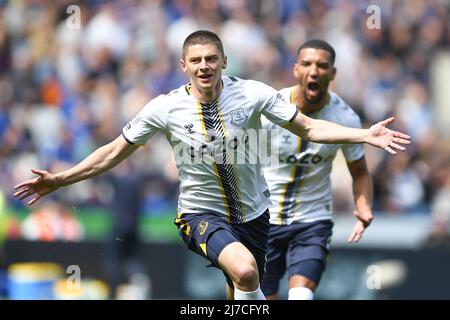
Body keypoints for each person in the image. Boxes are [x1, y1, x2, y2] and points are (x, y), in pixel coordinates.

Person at [13, 30, 410, 300]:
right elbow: (114, 151)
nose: (204, 66)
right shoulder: (165, 108)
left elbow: (307, 127)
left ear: (224, 61)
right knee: (246, 271)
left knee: (239, 285)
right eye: (196, 60)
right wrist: (61, 180)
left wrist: (363, 136)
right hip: (199, 213)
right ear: (183, 65)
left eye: (211, 59)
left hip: (257, 216)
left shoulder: (254, 95)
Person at [260, 39, 376, 300]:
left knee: (301, 295)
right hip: (264, 219)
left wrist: (365, 205)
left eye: (322, 65)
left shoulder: (345, 118)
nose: (314, 71)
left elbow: (359, 172)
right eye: (307, 64)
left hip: (312, 221)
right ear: (295, 69)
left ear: (333, 73)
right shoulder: (269, 109)